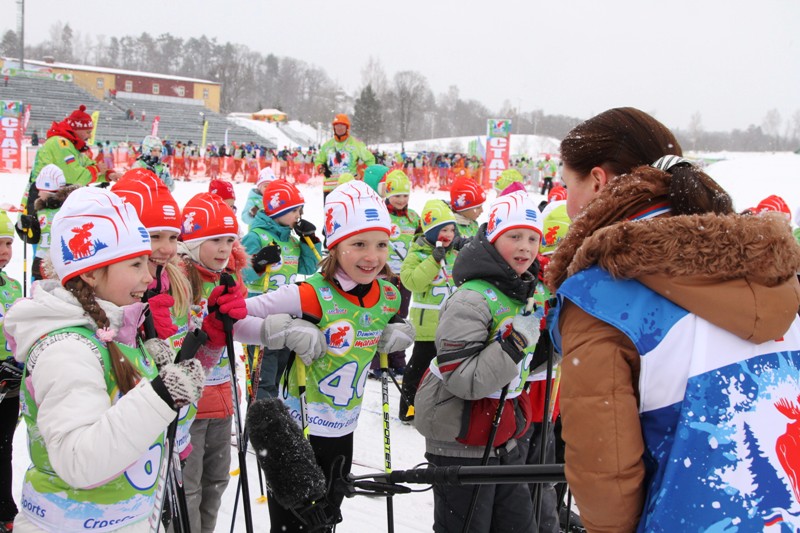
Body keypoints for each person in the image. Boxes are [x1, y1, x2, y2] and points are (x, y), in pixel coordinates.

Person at [546, 107, 800, 532]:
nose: (566, 201)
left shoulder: (602, 295)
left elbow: (604, 472)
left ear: (596, 181)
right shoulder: (772, 273)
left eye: (565, 184)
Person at [4, 187, 207, 532]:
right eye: (135, 264)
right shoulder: (66, 348)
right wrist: (159, 395)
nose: (149, 276)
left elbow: (147, 431)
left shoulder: (118, 332)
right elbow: (78, 460)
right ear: (90, 273)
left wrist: (171, 391)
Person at [244, 180, 414, 532]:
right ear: (335, 246)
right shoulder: (308, 294)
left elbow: (377, 326)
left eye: (382, 244)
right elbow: (232, 320)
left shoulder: (388, 296)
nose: (373, 256)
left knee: (326, 522)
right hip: (296, 432)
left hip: (343, 430)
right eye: (359, 244)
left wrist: (392, 333)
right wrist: (283, 330)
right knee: (293, 526)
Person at [414, 191, 544, 533]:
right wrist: (516, 343)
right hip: (460, 434)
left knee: (518, 526)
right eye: (514, 236)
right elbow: (461, 379)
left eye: (533, 238)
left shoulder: (525, 290)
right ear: (492, 239)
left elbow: (529, 362)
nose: (525, 247)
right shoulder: (472, 297)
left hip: (503, 432)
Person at [177, 192, 247, 533]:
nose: (223, 248)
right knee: (188, 484)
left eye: (229, 240)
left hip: (222, 397)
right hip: (190, 403)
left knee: (217, 479)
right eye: (215, 240)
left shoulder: (230, 279)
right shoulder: (180, 279)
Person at [241, 180, 321, 399]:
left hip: (287, 317)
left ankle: (274, 421)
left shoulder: (293, 242)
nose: (299, 215)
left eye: (300, 210)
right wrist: (257, 263)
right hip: (261, 318)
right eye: (295, 210)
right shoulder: (257, 236)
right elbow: (236, 272)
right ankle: (259, 425)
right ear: (279, 210)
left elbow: (310, 266)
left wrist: (309, 240)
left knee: (278, 375)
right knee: (262, 380)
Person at [399, 199, 458, 422]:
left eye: (452, 229)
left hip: (449, 324)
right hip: (426, 327)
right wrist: (433, 261)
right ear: (432, 231)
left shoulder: (454, 255)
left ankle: (437, 408)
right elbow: (412, 282)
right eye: (443, 229)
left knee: (444, 370)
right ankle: (408, 407)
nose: (449, 234)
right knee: (418, 368)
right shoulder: (417, 254)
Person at [21, 105, 119, 216]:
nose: (90, 135)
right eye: (87, 132)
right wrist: (97, 170)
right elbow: (75, 178)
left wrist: (108, 174)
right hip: (43, 197)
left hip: (52, 198)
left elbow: (87, 165)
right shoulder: (61, 144)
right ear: (77, 129)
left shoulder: (70, 145)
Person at [369, 169, 419, 377]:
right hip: (382, 275)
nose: (401, 200)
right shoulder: (380, 213)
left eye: (405, 195)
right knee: (380, 317)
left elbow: (420, 242)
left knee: (399, 318)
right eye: (397, 195)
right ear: (388, 194)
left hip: (404, 277)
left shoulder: (414, 217)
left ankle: (398, 361)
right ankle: (376, 362)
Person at [0, 211, 22, 533]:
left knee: (5, 446)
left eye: (8, 243)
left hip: (10, 382)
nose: (5, 250)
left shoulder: (13, 286)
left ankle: (5, 506)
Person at [29, 164, 77, 281]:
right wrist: (24, 227)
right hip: (41, 264)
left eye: (41, 191)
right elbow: (32, 238)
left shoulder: (67, 208)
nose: (39, 194)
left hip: (63, 262)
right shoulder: (40, 210)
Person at [314, 114, 376, 200]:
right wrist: (320, 167)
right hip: (329, 188)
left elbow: (371, 160)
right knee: (330, 213)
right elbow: (319, 161)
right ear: (334, 128)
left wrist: (362, 173)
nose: (339, 128)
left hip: (349, 188)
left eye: (342, 125)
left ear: (347, 127)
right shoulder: (327, 145)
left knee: (349, 213)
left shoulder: (356, 144)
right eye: (337, 125)